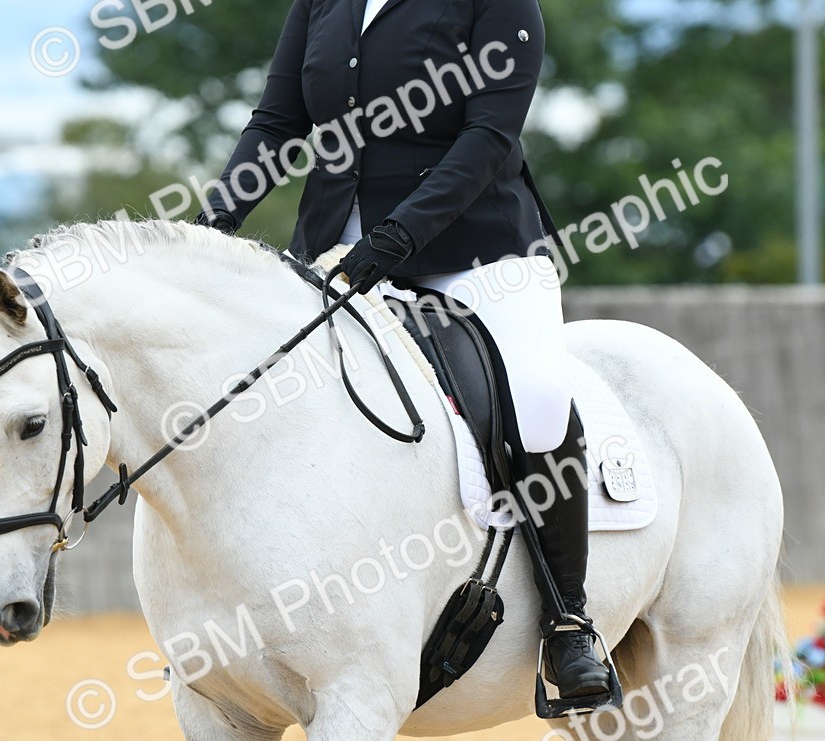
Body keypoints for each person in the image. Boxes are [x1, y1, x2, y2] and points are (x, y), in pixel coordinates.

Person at [194, 0, 609, 699]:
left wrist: (393, 240)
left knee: (537, 402)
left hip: (476, 251)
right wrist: (211, 227)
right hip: (333, 248)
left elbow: (487, 135)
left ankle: (568, 621)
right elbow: (277, 122)